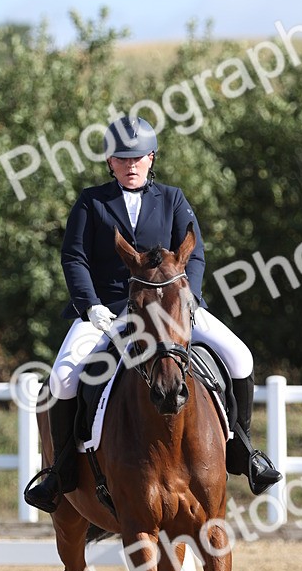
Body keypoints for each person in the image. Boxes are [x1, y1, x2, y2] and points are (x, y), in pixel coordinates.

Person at [24, 114, 282, 512]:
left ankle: (243, 451)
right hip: (108, 311)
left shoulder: (173, 198)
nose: (131, 166)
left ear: (151, 158)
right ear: (109, 162)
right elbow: (74, 258)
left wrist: (189, 300)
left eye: (138, 158)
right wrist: (90, 306)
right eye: (122, 159)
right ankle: (60, 472)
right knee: (62, 378)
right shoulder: (91, 202)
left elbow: (194, 254)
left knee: (240, 356)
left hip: (173, 308)